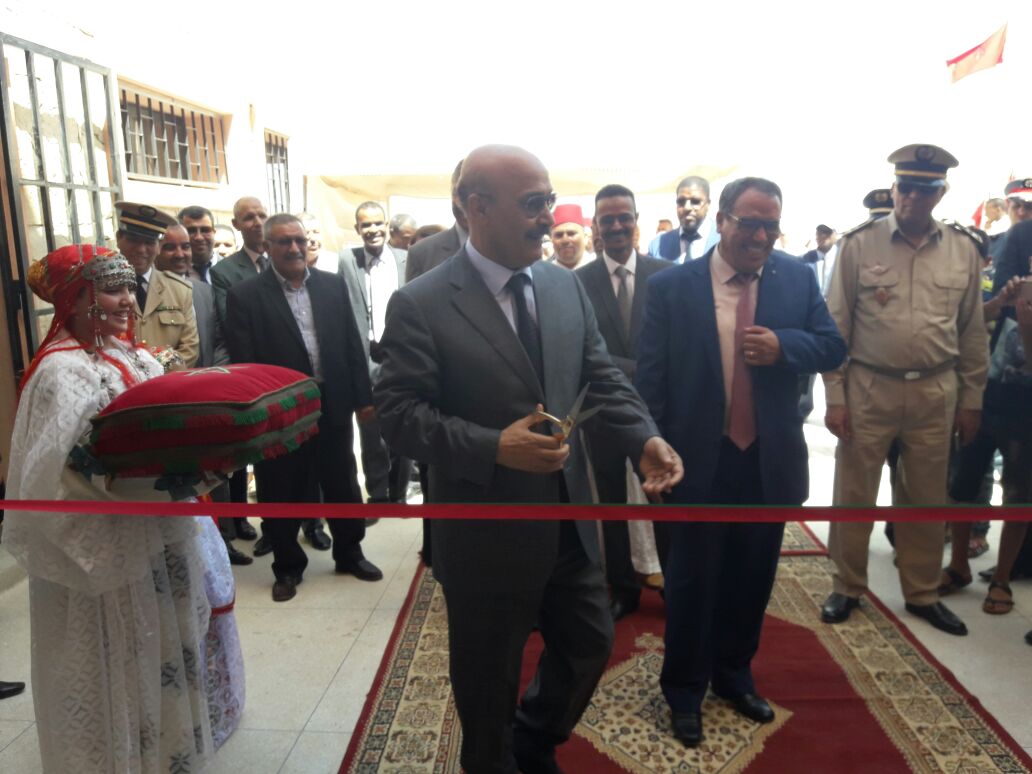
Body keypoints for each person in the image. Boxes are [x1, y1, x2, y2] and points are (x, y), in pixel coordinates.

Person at [374, 144, 683, 774]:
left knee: (590, 643)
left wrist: (643, 437)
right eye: (534, 203)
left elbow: (599, 372)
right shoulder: (422, 302)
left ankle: (534, 740)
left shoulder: (563, 285)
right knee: (487, 680)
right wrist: (494, 447)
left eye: (550, 201)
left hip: (569, 521)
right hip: (484, 533)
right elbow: (398, 415)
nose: (549, 217)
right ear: (478, 208)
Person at [636, 177, 846, 748]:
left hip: (766, 463)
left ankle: (733, 676)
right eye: (749, 224)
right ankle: (684, 690)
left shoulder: (796, 278)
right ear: (721, 221)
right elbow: (650, 382)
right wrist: (649, 451)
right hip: (695, 463)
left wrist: (785, 347)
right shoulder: (672, 288)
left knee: (751, 580)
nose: (759, 237)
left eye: (770, 226)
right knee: (691, 583)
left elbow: (833, 346)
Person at [4, 244, 214, 772]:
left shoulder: (137, 355)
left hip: (156, 530)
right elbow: (53, 473)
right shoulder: (61, 371)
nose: (128, 301)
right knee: (113, 656)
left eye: (129, 288)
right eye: (113, 290)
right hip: (100, 550)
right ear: (75, 299)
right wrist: (144, 486)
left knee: (162, 645)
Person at [821, 144, 989, 637]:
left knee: (926, 498)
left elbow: (972, 332)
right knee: (854, 493)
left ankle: (922, 592)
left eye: (925, 189)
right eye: (906, 187)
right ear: (894, 188)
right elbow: (835, 326)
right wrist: (835, 396)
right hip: (869, 385)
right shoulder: (858, 244)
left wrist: (972, 400)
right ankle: (847, 586)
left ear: (942, 193)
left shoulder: (962, 249)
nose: (914, 197)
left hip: (935, 390)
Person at [225, 214, 381, 602]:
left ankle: (350, 554)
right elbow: (244, 362)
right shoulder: (245, 295)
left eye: (299, 240)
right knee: (280, 486)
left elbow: (353, 344)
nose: (295, 248)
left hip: (332, 403)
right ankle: (288, 566)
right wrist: (258, 414)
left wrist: (363, 399)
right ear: (267, 247)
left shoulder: (331, 285)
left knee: (342, 482)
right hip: (282, 410)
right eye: (284, 242)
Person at [575, 184, 673, 621]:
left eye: (624, 217)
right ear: (595, 227)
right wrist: (633, 371)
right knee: (611, 502)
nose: (616, 226)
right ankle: (623, 586)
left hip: (660, 412)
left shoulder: (667, 276)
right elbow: (578, 349)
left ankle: (672, 579)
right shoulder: (576, 283)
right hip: (602, 415)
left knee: (665, 497)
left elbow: (679, 344)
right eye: (607, 219)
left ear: (636, 222)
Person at [339, 201, 411, 505]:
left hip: (402, 355)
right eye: (365, 225)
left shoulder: (406, 259)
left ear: (387, 225)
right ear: (357, 229)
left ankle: (399, 493)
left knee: (405, 423)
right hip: (366, 353)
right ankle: (378, 494)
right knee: (370, 427)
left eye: (377, 223)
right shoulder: (348, 260)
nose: (372, 230)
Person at [211, 197, 270, 554]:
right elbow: (231, 321)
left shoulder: (283, 259)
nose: (257, 222)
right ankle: (259, 524)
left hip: (289, 369)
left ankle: (308, 521)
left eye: (262, 215)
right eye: (249, 217)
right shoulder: (225, 272)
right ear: (236, 225)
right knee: (253, 451)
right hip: (250, 370)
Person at [116, 201, 199, 368]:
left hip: (167, 381)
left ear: (159, 246)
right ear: (118, 239)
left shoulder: (180, 290)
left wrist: (152, 370)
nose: (141, 249)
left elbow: (189, 350)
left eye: (149, 242)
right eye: (134, 240)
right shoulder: (100, 289)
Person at [405, 160, 467, 283]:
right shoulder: (421, 253)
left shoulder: (507, 249)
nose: (467, 203)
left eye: (481, 194)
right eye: (461, 193)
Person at [649, 176, 720, 262]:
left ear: (708, 204)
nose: (687, 208)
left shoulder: (725, 239)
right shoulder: (657, 246)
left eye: (695, 201)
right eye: (681, 201)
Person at [548, 203, 591, 270]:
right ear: (551, 240)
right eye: (559, 235)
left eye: (571, 234)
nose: (565, 240)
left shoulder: (601, 269)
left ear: (585, 238)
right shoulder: (544, 273)